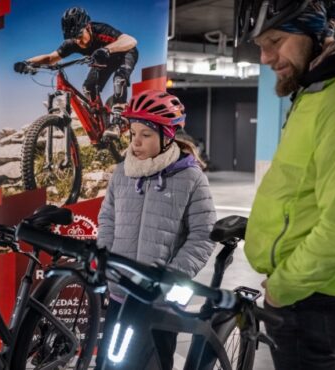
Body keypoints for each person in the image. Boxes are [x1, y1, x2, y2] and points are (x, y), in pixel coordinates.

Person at [236, 1, 335, 369]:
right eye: (261, 45)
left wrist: (283, 289)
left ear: (316, 33)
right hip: (303, 290)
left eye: (275, 40)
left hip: (313, 296)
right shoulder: (317, 92)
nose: (264, 57)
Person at [96, 90, 216, 370]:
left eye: (146, 135)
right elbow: (107, 220)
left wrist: (173, 276)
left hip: (160, 300)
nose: (135, 142)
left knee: (154, 364)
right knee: (111, 363)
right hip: (120, 292)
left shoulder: (191, 178)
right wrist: (105, 261)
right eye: (132, 133)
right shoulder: (121, 173)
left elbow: (203, 234)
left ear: (168, 135)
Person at [14, 7, 138, 135]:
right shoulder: (72, 43)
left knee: (119, 80)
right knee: (88, 88)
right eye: (73, 37)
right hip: (103, 60)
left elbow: (131, 41)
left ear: (88, 27)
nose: (78, 41)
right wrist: (28, 62)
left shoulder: (100, 30)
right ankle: (100, 118)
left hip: (125, 53)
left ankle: (118, 121)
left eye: (79, 35)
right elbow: (51, 58)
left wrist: (107, 50)